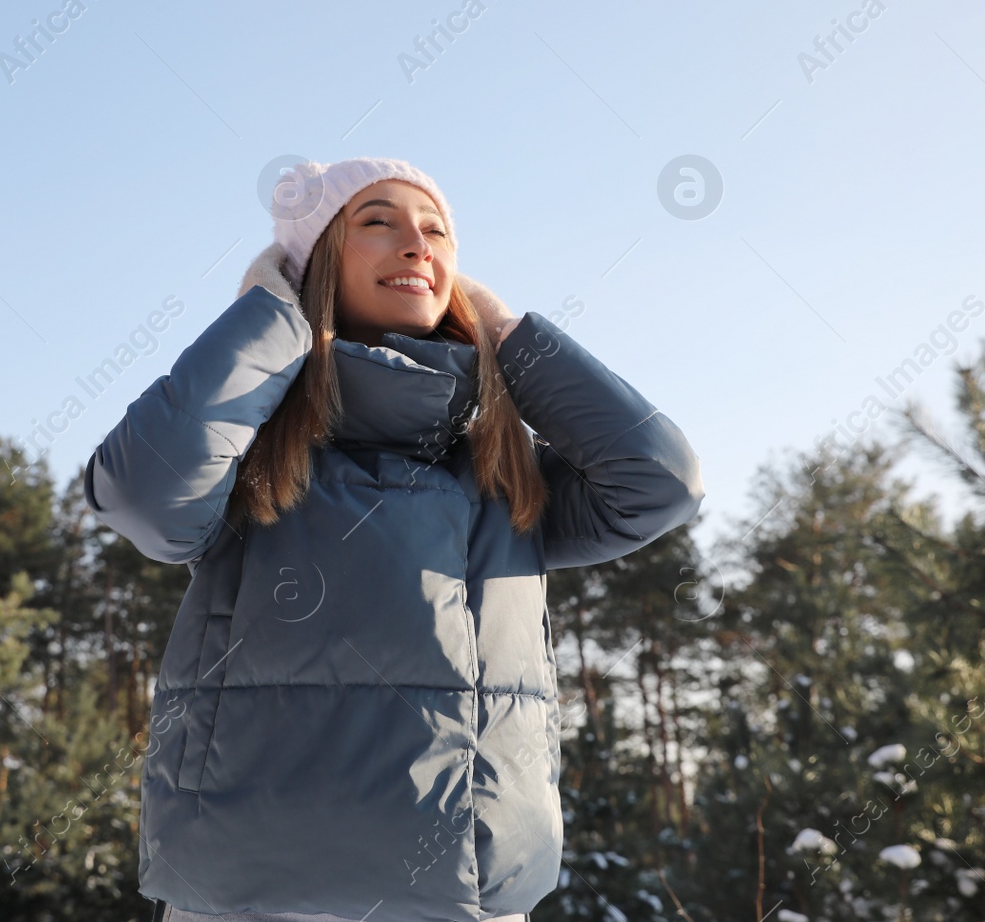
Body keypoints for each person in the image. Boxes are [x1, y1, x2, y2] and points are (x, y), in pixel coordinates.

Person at [82, 157, 705, 922]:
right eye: (376, 221)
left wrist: (505, 334)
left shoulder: (502, 479)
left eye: (437, 232)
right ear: (309, 269)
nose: (418, 245)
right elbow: (143, 491)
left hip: (473, 897)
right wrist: (276, 312)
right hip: (249, 900)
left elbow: (662, 481)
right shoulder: (250, 461)